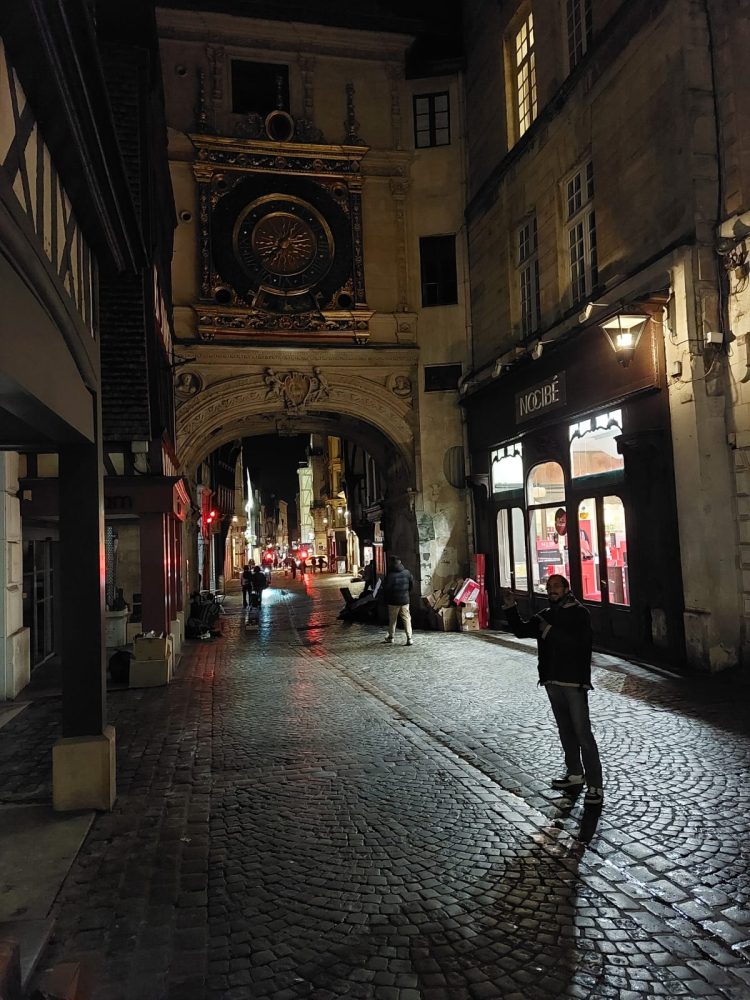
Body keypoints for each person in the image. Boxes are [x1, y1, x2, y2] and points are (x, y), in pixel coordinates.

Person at [501, 575, 603, 806]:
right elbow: (521, 630)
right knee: (565, 731)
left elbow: (577, 644)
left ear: (567, 588)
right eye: (548, 587)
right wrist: (510, 606)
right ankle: (575, 774)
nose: (551, 590)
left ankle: (595, 785)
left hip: (573, 682)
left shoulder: (580, 614)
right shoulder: (547, 614)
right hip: (552, 681)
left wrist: (548, 630)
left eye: (556, 586)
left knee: (583, 734)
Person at [382, 554, 414, 646]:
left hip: (393, 601)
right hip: (405, 600)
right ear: (400, 563)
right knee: (407, 618)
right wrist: (406, 593)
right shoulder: (407, 572)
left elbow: (386, 588)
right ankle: (409, 638)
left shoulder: (391, 575)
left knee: (393, 619)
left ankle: (391, 637)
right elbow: (411, 585)